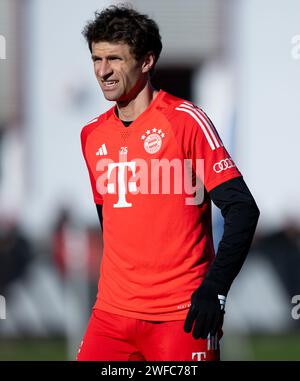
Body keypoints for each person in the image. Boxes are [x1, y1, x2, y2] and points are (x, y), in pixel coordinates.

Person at [78, 4, 259, 361]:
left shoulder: (186, 122)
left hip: (181, 316)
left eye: (115, 59)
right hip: (111, 316)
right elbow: (109, 219)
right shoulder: (91, 135)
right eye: (97, 59)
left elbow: (242, 209)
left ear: (146, 62)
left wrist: (215, 289)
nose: (103, 71)